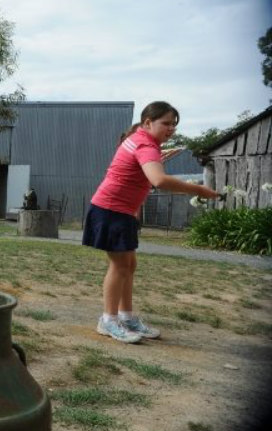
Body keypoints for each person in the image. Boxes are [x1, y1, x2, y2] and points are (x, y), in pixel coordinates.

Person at [83, 101, 218, 344]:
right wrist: (198, 189)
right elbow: (159, 179)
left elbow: (134, 173)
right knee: (120, 266)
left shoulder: (139, 139)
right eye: (165, 123)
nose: (171, 129)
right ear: (147, 123)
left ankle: (126, 317)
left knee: (129, 265)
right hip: (111, 209)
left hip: (119, 211)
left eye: (174, 125)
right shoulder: (146, 144)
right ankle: (108, 320)